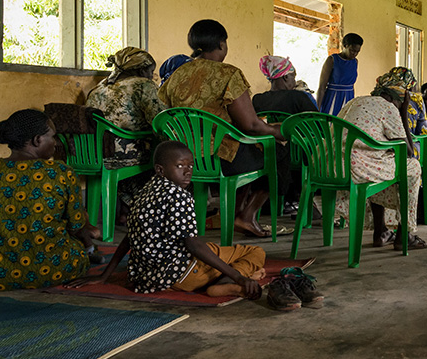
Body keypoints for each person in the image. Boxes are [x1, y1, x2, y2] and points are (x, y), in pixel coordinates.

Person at [66, 141, 271, 298]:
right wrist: (239, 276)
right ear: (160, 170)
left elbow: (130, 237)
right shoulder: (179, 196)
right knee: (254, 252)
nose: (188, 171)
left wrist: (104, 275)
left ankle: (224, 276)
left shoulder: (144, 192)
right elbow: (192, 245)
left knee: (211, 247)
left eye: (190, 165)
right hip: (183, 275)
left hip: (147, 278)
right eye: (180, 165)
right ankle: (228, 282)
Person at [158, 19, 288, 238]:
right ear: (221, 44)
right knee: (277, 153)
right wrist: (278, 131)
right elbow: (251, 125)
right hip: (220, 158)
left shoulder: (176, 76)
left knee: (247, 149)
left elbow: (166, 115)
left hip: (187, 159)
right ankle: (246, 216)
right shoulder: (228, 74)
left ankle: (235, 214)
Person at [0, 109, 100, 291]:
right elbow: (76, 226)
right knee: (79, 229)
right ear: (37, 140)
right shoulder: (59, 172)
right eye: (53, 137)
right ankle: (90, 252)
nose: (56, 143)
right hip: (53, 268)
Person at [334, 75, 427, 250]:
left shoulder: (355, 101)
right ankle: (403, 236)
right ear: (395, 99)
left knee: (385, 163)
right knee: (412, 168)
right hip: (358, 168)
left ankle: (381, 231)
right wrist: (402, 113)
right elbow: (408, 152)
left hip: (331, 167)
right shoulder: (388, 108)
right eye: (402, 103)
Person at [85, 47, 167, 221]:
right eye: (150, 71)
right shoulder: (143, 85)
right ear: (140, 69)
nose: (151, 76)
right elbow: (160, 121)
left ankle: (125, 211)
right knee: (165, 152)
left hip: (94, 152)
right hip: (122, 152)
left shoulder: (98, 88)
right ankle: (147, 213)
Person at [252, 55, 318, 114]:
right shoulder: (298, 97)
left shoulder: (258, 100)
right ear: (286, 77)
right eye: (293, 77)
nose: (294, 82)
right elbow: (318, 124)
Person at [316, 33, 363, 116]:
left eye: (357, 52)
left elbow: (352, 86)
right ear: (345, 46)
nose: (354, 54)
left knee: (345, 124)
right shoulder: (332, 60)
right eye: (352, 50)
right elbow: (322, 87)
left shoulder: (355, 62)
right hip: (333, 98)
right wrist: (317, 109)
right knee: (329, 124)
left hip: (349, 98)